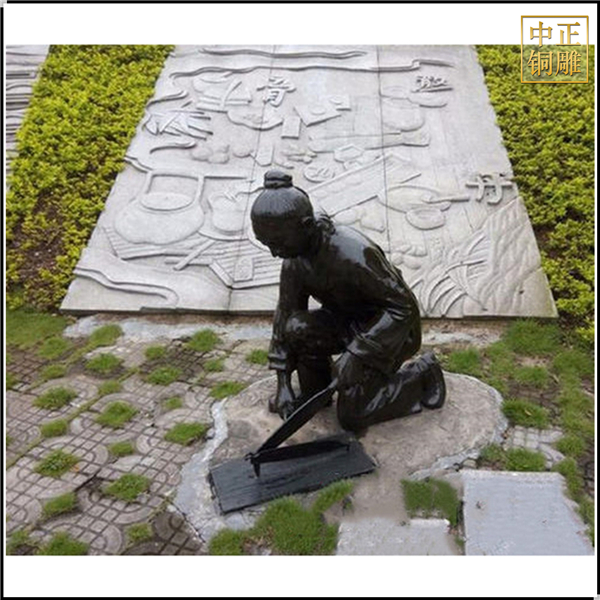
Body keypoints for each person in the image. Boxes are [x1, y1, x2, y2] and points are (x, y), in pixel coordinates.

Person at [251, 170, 445, 432]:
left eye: (278, 243)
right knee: (296, 327)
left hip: (389, 332)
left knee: (353, 415)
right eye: (266, 244)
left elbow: (403, 307)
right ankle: (316, 391)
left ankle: (422, 375)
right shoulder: (294, 258)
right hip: (346, 322)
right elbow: (285, 315)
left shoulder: (353, 254)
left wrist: (356, 354)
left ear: (306, 225)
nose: (275, 253)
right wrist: (283, 384)